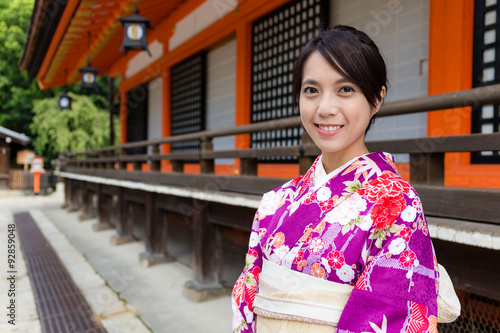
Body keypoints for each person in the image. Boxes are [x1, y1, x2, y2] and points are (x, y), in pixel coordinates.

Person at [232, 25, 459, 332]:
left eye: (345, 90)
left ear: (376, 100)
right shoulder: (275, 201)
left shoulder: (395, 201)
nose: (325, 109)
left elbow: (392, 318)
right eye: (311, 90)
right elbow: (246, 298)